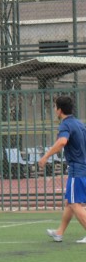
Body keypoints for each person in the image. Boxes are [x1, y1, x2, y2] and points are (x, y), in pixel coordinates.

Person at [40, 95, 86, 243]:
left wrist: (46, 156)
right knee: (70, 202)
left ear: (59, 110)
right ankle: (59, 232)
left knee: (74, 203)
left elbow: (62, 142)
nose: (54, 110)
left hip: (77, 169)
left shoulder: (65, 124)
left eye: (55, 107)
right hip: (83, 167)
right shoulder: (79, 124)